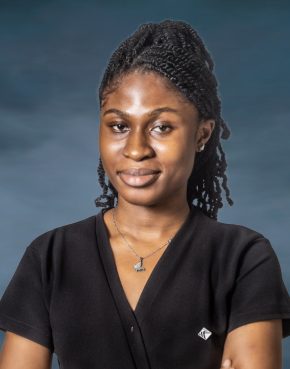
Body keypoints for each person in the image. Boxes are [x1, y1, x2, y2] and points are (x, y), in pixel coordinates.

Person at [0, 19, 290, 369]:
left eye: (161, 127)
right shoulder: (50, 258)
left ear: (202, 134)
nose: (136, 149)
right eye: (119, 126)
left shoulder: (242, 258)